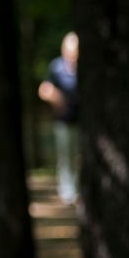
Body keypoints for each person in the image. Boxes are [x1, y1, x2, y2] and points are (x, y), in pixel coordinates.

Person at [37, 32, 80, 204]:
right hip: (63, 121)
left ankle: (78, 190)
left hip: (81, 120)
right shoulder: (56, 67)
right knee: (65, 157)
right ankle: (67, 192)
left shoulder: (84, 67)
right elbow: (44, 89)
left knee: (79, 157)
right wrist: (56, 97)